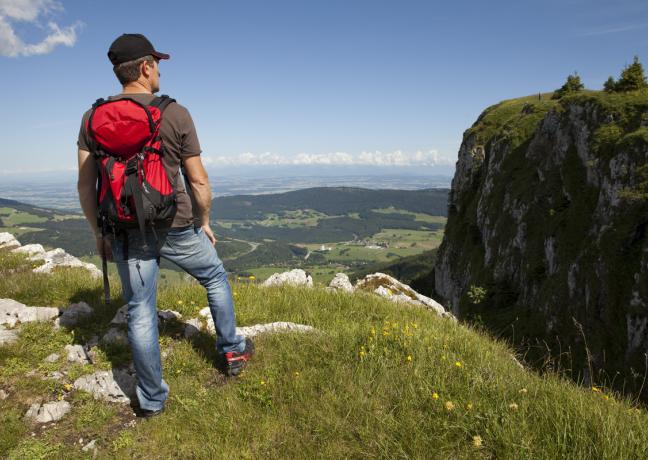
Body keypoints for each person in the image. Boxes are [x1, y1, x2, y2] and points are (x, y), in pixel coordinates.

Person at [76, 33, 254, 418]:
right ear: (145, 67)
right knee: (215, 277)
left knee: (140, 309)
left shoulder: (92, 118)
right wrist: (204, 221)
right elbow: (200, 181)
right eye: (156, 63)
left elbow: (85, 185)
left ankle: (152, 400)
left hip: (125, 229)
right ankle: (233, 349)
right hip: (176, 223)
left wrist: (99, 233)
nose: (158, 70)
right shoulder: (174, 112)